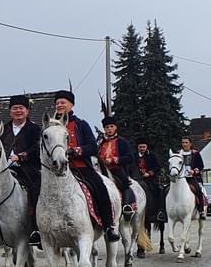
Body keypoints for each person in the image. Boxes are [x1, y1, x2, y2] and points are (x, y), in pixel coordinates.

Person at [54, 90, 119, 242]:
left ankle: (109, 225)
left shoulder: (81, 124)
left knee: (100, 187)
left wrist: (76, 150)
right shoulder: (50, 125)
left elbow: (92, 147)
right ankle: (38, 229)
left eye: (63, 102)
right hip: (56, 169)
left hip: (80, 166)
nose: (59, 105)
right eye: (57, 103)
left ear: (72, 105)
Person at [0, 94, 42, 245]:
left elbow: (37, 147)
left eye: (21, 108)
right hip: (4, 169)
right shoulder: (3, 129)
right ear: (10, 111)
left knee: (35, 189)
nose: (18, 111)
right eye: (15, 108)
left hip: (28, 169)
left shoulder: (35, 129)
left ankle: (36, 228)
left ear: (27, 111)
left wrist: (22, 156)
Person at [97, 116, 136, 217]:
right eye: (107, 127)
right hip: (102, 170)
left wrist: (114, 160)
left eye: (111, 126)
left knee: (125, 183)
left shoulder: (121, 142)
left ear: (115, 127)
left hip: (117, 170)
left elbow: (130, 157)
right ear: (104, 129)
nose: (109, 129)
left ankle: (127, 206)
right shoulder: (101, 143)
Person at [135, 138, 166, 222]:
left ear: (146, 147)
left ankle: (161, 211)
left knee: (160, 190)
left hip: (150, 179)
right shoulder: (134, 156)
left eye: (143, 147)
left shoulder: (152, 155)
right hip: (136, 178)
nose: (142, 148)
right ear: (137, 147)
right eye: (140, 147)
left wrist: (149, 173)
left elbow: (157, 167)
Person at [178, 136, 208, 219]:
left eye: (186, 142)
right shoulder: (178, 153)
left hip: (192, 178)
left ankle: (201, 210)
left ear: (190, 143)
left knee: (199, 190)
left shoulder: (195, 153)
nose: (184, 144)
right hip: (180, 178)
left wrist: (194, 171)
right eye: (183, 142)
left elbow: (201, 166)